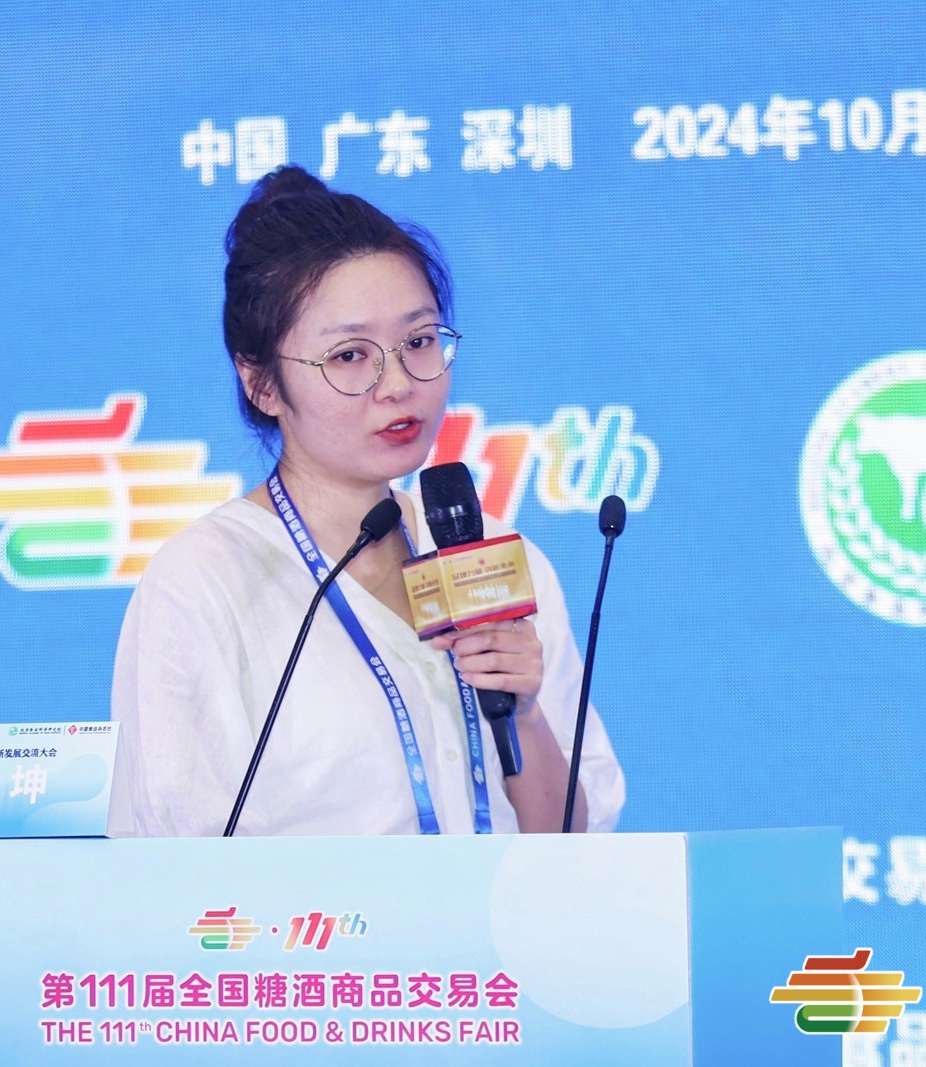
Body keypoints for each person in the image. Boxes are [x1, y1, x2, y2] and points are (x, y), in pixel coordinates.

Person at [107, 166, 623, 837]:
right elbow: (170, 859)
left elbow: (573, 847)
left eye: (419, 342)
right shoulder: (204, 581)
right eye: (350, 356)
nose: (398, 383)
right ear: (262, 383)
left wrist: (523, 714)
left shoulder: (500, 561)